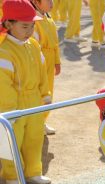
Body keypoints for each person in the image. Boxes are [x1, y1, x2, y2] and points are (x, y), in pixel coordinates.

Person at [0, 0, 51, 184]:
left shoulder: (34, 45)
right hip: (13, 104)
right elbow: (3, 85)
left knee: (34, 137)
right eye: (24, 26)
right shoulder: (3, 51)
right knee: (12, 139)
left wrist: (45, 95)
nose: (29, 30)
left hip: (34, 100)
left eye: (32, 25)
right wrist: (8, 110)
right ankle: (12, 174)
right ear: (8, 24)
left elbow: (42, 71)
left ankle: (33, 171)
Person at [30, 0, 61, 135]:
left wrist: (57, 61)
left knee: (49, 91)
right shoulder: (33, 21)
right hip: (40, 60)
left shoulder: (49, 19)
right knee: (39, 91)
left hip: (50, 59)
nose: (51, 3)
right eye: (48, 0)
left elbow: (55, 44)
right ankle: (36, 122)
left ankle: (43, 120)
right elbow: (33, 44)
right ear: (36, 2)